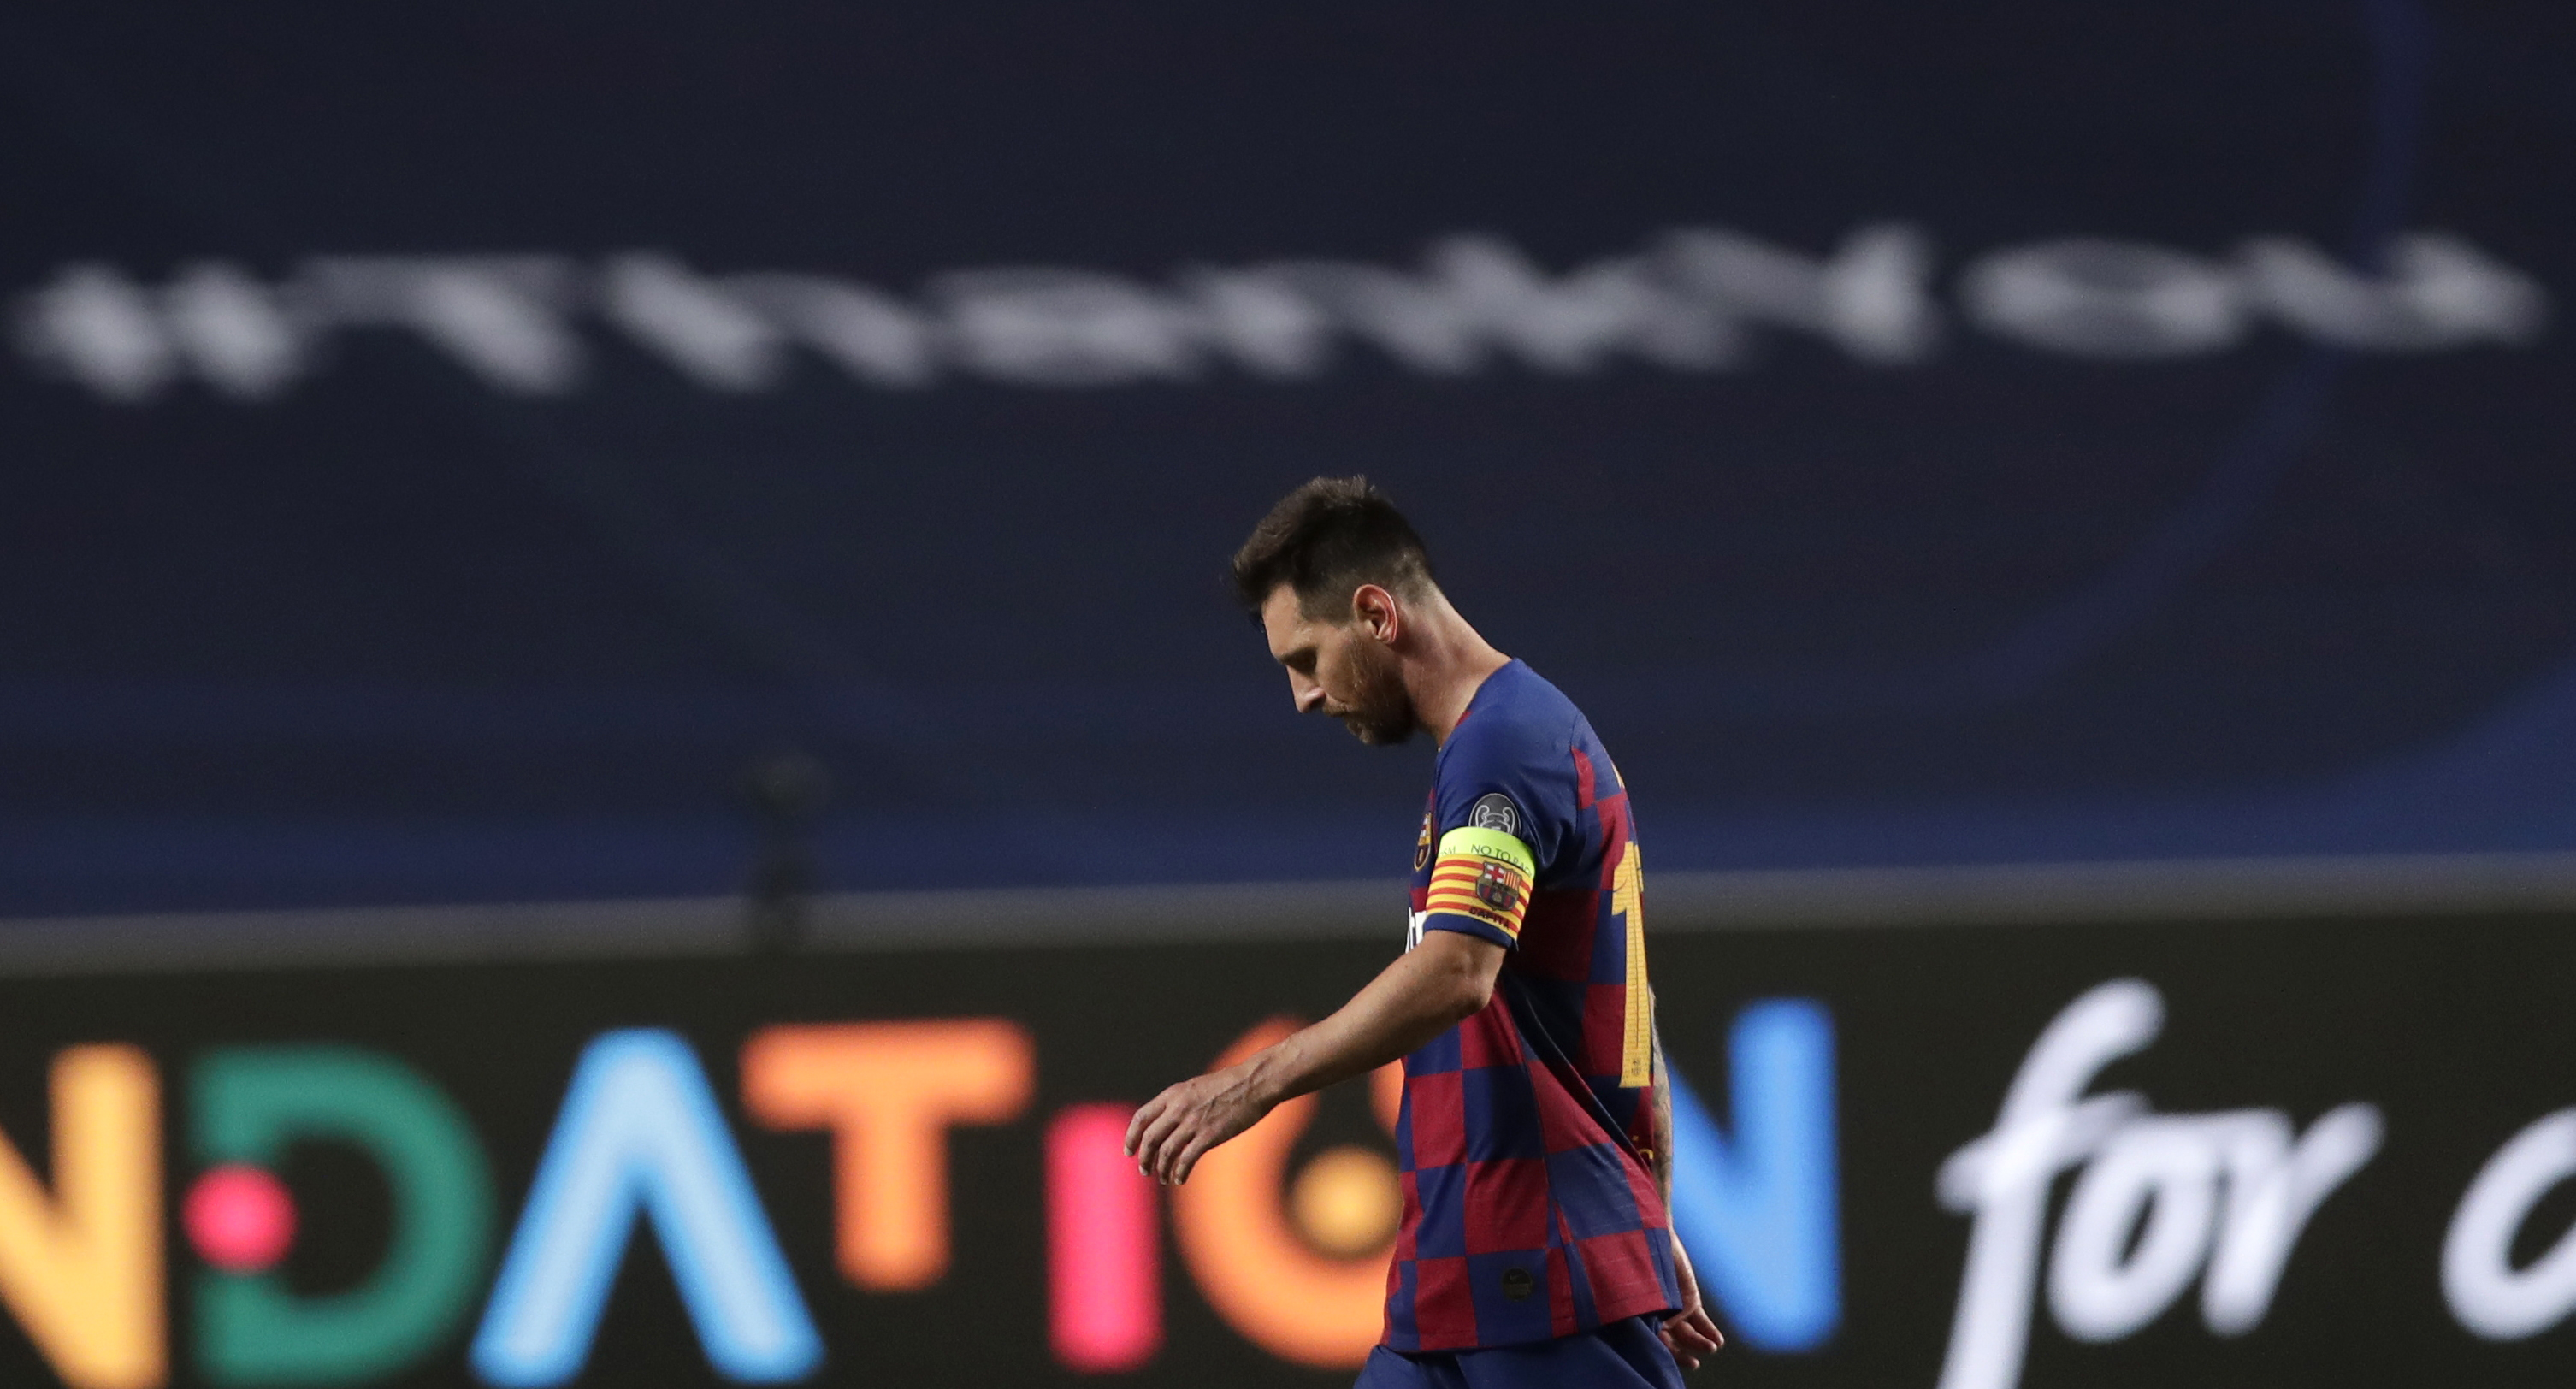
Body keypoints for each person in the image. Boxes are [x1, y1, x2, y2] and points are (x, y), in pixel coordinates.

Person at [1126, 476, 1724, 1388]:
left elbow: (1455, 972)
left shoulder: (1507, 746)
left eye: (1306, 657)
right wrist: (1653, 1218)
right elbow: (1629, 1007)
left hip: (1543, 1289)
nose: (1305, 697)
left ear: (1375, 614)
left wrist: (1251, 1085)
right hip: (1457, 1293)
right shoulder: (1495, 745)